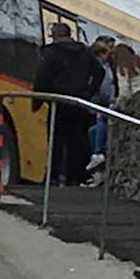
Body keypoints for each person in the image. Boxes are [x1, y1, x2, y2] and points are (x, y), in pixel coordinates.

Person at [33, 22, 105, 186]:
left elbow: (42, 77)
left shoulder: (51, 53)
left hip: (58, 102)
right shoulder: (84, 51)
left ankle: (52, 177)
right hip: (78, 103)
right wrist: (88, 92)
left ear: (55, 36)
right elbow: (99, 72)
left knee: (55, 141)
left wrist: (37, 100)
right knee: (77, 141)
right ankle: (75, 177)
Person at [83, 41, 116, 188]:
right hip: (99, 106)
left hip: (101, 107)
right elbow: (105, 89)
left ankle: (97, 165)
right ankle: (97, 168)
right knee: (94, 132)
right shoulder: (101, 69)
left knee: (95, 132)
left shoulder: (104, 68)